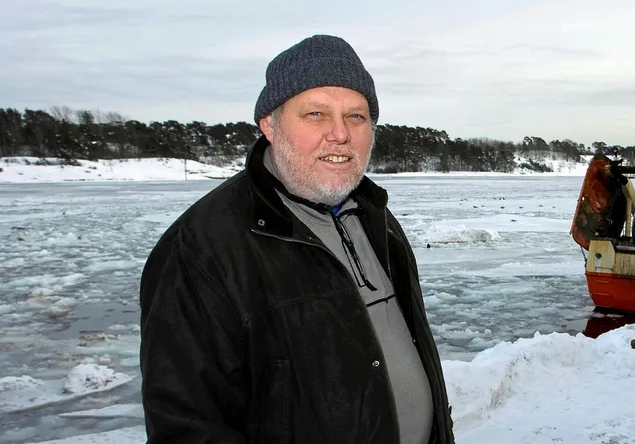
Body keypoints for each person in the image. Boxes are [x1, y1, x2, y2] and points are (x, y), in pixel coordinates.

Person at [139, 35, 455, 443]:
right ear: (269, 125)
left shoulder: (376, 217)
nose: (340, 134)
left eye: (356, 117)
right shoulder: (202, 248)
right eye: (316, 114)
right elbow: (187, 428)